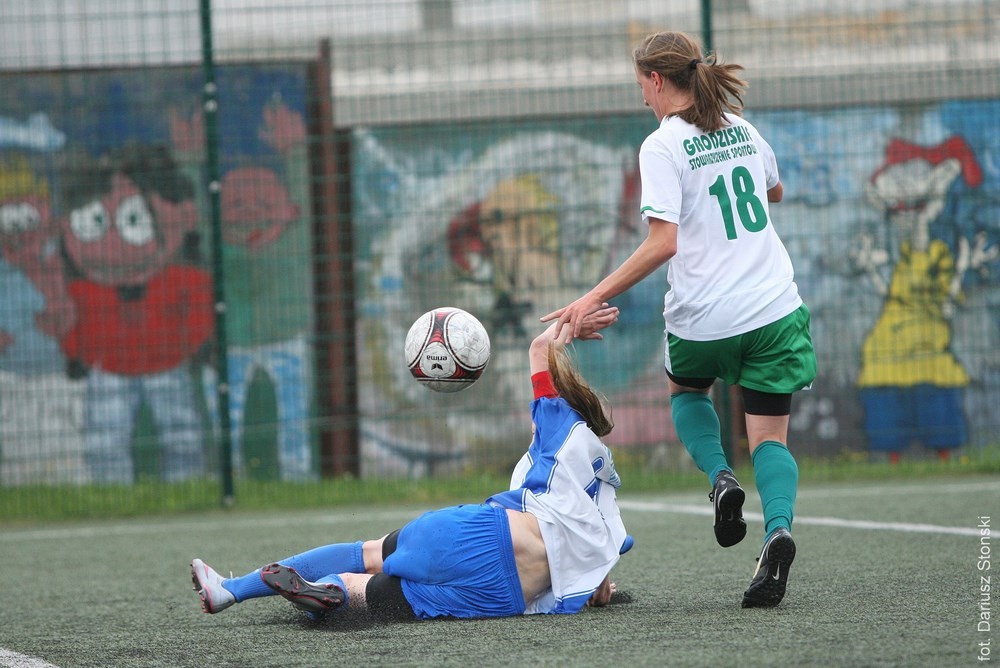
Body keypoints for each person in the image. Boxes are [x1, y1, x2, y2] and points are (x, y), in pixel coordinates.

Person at [542, 31, 816, 609]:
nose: (642, 98)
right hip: (773, 310)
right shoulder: (742, 128)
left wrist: (588, 298)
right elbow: (776, 190)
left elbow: (662, 242)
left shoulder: (662, 144)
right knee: (770, 436)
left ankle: (720, 477)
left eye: (641, 85)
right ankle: (778, 531)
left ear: (657, 80)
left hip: (704, 320)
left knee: (686, 390)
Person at [191, 306, 632, 622]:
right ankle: (335, 594)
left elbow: (540, 347)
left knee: (369, 553)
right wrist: (601, 586)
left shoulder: (560, 428)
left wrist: (576, 317)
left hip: (482, 535)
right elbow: (602, 563)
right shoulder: (603, 495)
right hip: (506, 595)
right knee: (383, 599)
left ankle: (230, 590)